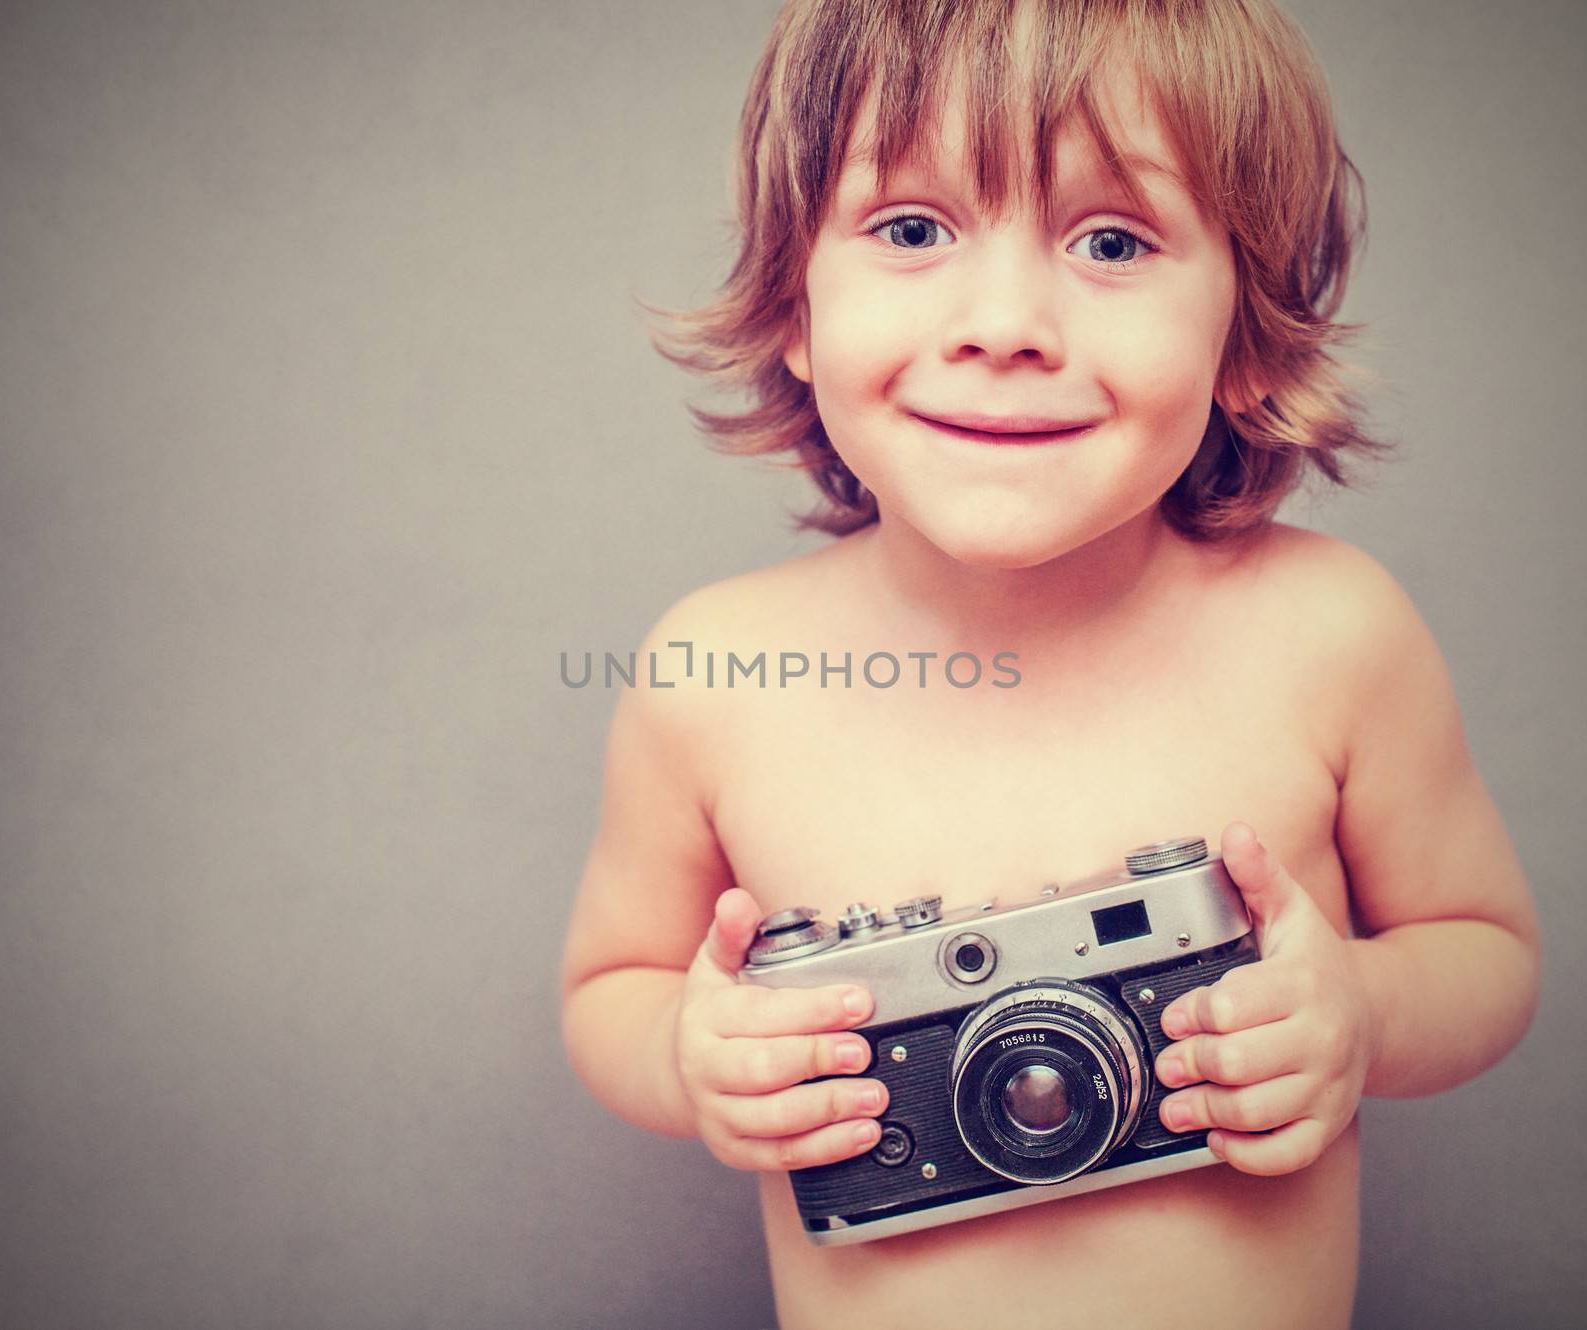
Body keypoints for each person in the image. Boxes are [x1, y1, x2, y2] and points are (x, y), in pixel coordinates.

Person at [558, 1, 1541, 1325]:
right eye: (912, 228)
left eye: (1113, 239)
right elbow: (609, 983)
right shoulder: (715, 673)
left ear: (1243, 331)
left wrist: (1356, 1008)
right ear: (793, 297)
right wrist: (692, 1056)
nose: (1006, 322)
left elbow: (1485, 951)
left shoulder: (1334, 633)